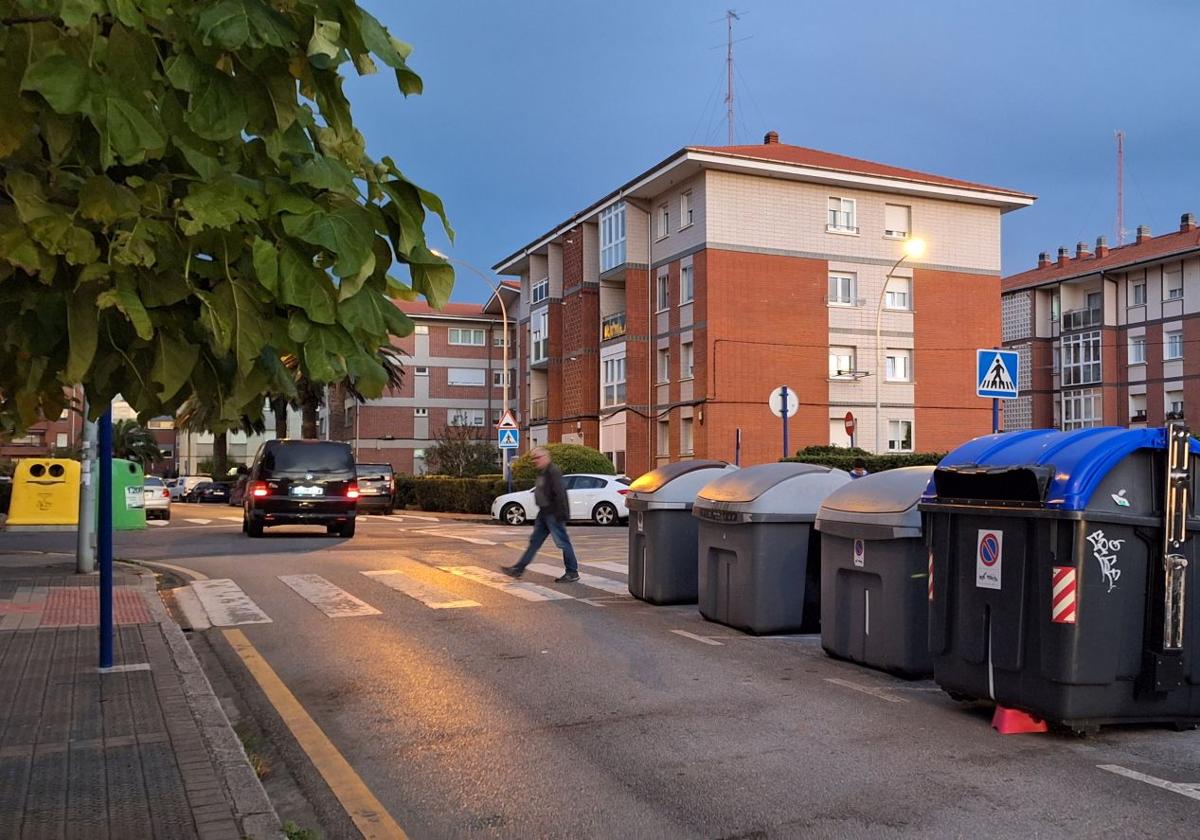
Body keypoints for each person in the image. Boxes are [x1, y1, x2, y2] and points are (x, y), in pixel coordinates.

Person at [501, 447, 580, 582]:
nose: (535, 461)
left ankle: (572, 572)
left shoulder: (552, 471)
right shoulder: (543, 472)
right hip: (544, 513)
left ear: (546, 457)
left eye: (537, 458)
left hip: (553, 513)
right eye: (534, 458)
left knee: (563, 543)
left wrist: (561, 514)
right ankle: (518, 569)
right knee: (534, 543)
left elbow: (560, 493)